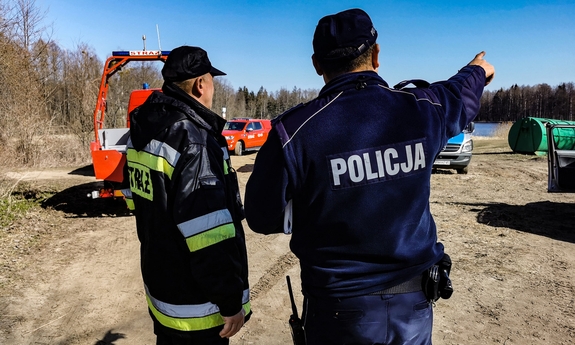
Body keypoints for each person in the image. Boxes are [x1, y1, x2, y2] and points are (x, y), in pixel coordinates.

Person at [244, 8, 494, 345]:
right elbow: (460, 93)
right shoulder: (422, 109)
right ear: (376, 55)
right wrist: (477, 69)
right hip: (413, 306)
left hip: (339, 312)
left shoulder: (294, 132)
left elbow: (261, 217)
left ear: (317, 65)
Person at [124, 45, 251, 345]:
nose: (213, 90)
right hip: (198, 307)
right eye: (212, 81)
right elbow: (209, 235)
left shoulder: (142, 131)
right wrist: (230, 302)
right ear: (200, 85)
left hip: (163, 295)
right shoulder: (194, 139)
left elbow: (134, 198)